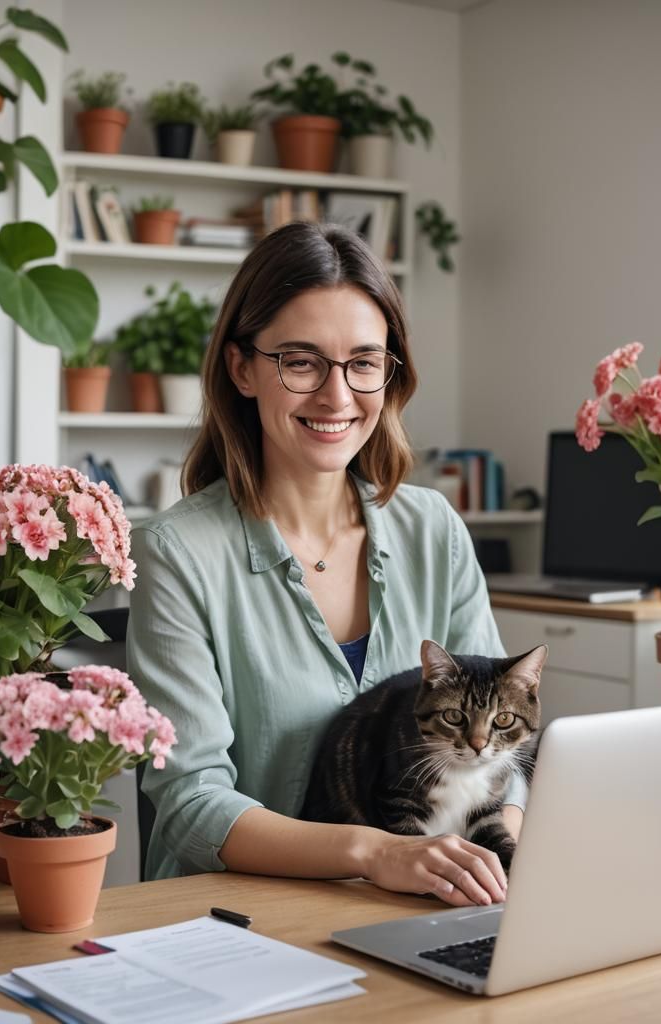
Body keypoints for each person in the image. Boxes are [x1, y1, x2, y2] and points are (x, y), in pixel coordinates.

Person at [127, 221, 523, 907]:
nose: (338, 397)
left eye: (364, 363)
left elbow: (502, 759)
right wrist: (375, 854)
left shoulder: (434, 530)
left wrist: (490, 860)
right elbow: (191, 803)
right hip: (230, 923)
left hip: (414, 911)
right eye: (302, 362)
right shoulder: (177, 553)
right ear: (242, 367)